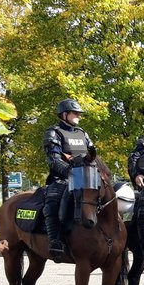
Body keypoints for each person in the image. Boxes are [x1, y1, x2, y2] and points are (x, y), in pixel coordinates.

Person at [43, 98, 97, 261]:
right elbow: (53, 159)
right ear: (64, 114)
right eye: (75, 113)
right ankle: (56, 242)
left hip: (86, 177)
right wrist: (70, 172)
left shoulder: (82, 133)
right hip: (62, 178)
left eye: (79, 114)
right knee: (52, 203)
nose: (79, 116)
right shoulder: (54, 132)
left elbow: (92, 155)